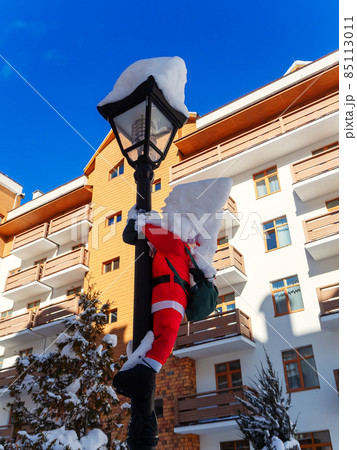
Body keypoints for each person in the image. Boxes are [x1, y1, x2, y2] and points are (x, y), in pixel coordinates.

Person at [113, 178, 232, 400]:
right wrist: (139, 220)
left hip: (169, 295)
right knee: (161, 335)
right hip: (167, 295)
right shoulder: (178, 246)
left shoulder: (174, 242)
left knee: (165, 335)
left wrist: (141, 218)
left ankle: (146, 372)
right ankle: (140, 368)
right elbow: (132, 235)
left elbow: (139, 230)